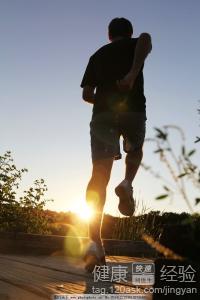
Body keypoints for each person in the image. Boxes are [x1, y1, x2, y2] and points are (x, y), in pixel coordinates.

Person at [80, 17, 152, 272]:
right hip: (133, 111)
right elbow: (146, 39)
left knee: (98, 177)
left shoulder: (97, 56)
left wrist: (106, 98)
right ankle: (127, 183)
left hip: (102, 116)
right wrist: (132, 74)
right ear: (128, 33)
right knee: (135, 149)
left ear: (109, 34)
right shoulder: (137, 44)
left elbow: (87, 95)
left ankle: (94, 242)